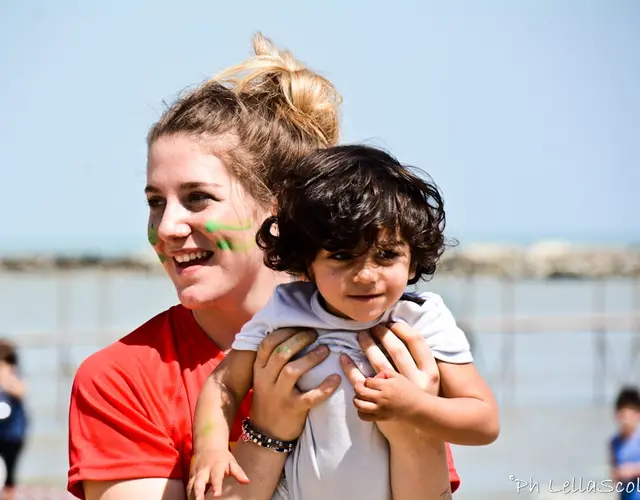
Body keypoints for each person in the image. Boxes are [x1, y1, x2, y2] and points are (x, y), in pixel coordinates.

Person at [67, 33, 463, 500]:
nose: (168, 226)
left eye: (197, 198)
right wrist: (269, 432)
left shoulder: (389, 342)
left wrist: (414, 428)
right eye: (156, 202)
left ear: (279, 213)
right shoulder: (120, 379)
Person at [189, 144, 499, 500]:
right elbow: (223, 385)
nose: (366, 275)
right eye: (341, 256)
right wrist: (211, 447)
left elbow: (483, 422)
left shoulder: (422, 319)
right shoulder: (286, 310)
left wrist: (415, 406)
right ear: (306, 264)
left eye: (386, 255)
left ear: (413, 260)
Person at [0, 340, 28, 500]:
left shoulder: (15, 374)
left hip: (13, 434)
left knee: (10, 474)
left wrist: (5, 377)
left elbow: (21, 391)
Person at [610, 386, 640, 499]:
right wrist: (617, 475)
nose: (625, 421)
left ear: (638, 414)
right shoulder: (614, 442)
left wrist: (632, 471)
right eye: (622, 415)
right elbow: (614, 473)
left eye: (629, 415)